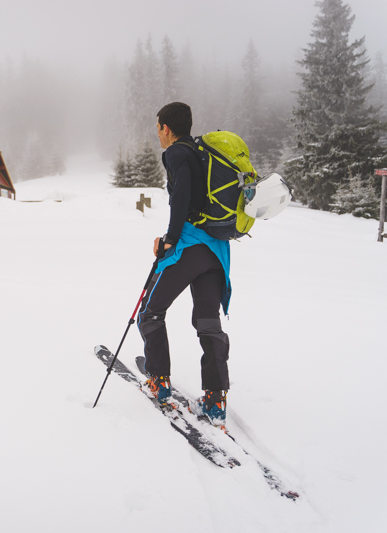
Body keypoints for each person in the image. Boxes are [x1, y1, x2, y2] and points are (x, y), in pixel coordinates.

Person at [137, 102, 232, 430]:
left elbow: (181, 198)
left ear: (165, 127)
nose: (158, 135)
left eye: (158, 128)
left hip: (189, 246)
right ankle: (215, 400)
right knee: (207, 321)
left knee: (149, 312)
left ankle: (159, 382)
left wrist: (169, 240)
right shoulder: (201, 152)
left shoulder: (176, 153)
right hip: (217, 251)